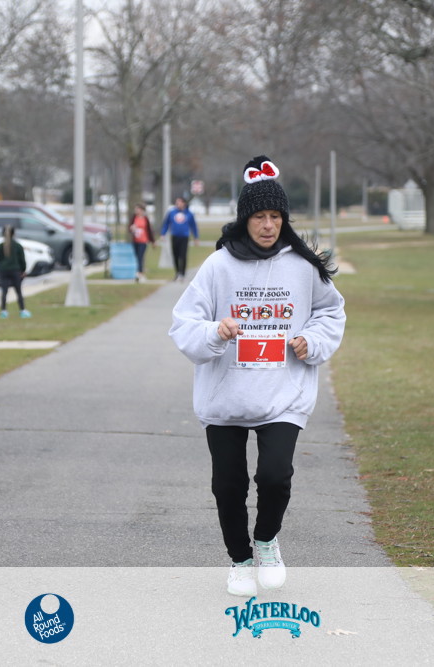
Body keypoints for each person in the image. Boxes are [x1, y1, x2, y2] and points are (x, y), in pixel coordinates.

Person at [169, 155, 346, 597]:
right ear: (244, 219)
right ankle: (240, 560)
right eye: (259, 217)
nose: (268, 225)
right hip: (225, 396)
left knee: (274, 476)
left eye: (275, 216)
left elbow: (331, 311)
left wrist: (311, 340)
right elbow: (183, 324)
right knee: (228, 486)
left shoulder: (303, 266)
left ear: (284, 220)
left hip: (283, 393)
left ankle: (266, 541)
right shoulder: (218, 266)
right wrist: (216, 331)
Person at [0, 225, 31, 319]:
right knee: (18, 291)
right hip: (15, 270)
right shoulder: (17, 246)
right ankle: (22, 310)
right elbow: (22, 260)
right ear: (14, 233)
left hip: (3, 270)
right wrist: (23, 270)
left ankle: (3, 311)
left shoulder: (1, 246)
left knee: (4, 292)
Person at [160, 196, 198, 281]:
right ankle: (177, 272)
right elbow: (166, 224)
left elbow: (193, 226)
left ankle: (182, 274)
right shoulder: (172, 212)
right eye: (177, 202)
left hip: (184, 237)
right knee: (175, 255)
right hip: (174, 236)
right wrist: (163, 234)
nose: (177, 204)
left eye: (179, 202)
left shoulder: (189, 213)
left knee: (183, 255)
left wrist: (196, 237)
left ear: (184, 203)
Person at [128, 203, 155, 282]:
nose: (136, 210)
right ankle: (140, 272)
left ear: (142, 210)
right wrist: (131, 228)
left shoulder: (145, 219)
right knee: (137, 257)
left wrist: (152, 241)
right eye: (136, 209)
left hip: (143, 241)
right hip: (135, 240)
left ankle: (139, 273)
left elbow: (149, 230)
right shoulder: (134, 218)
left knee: (140, 256)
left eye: (138, 209)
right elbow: (129, 228)